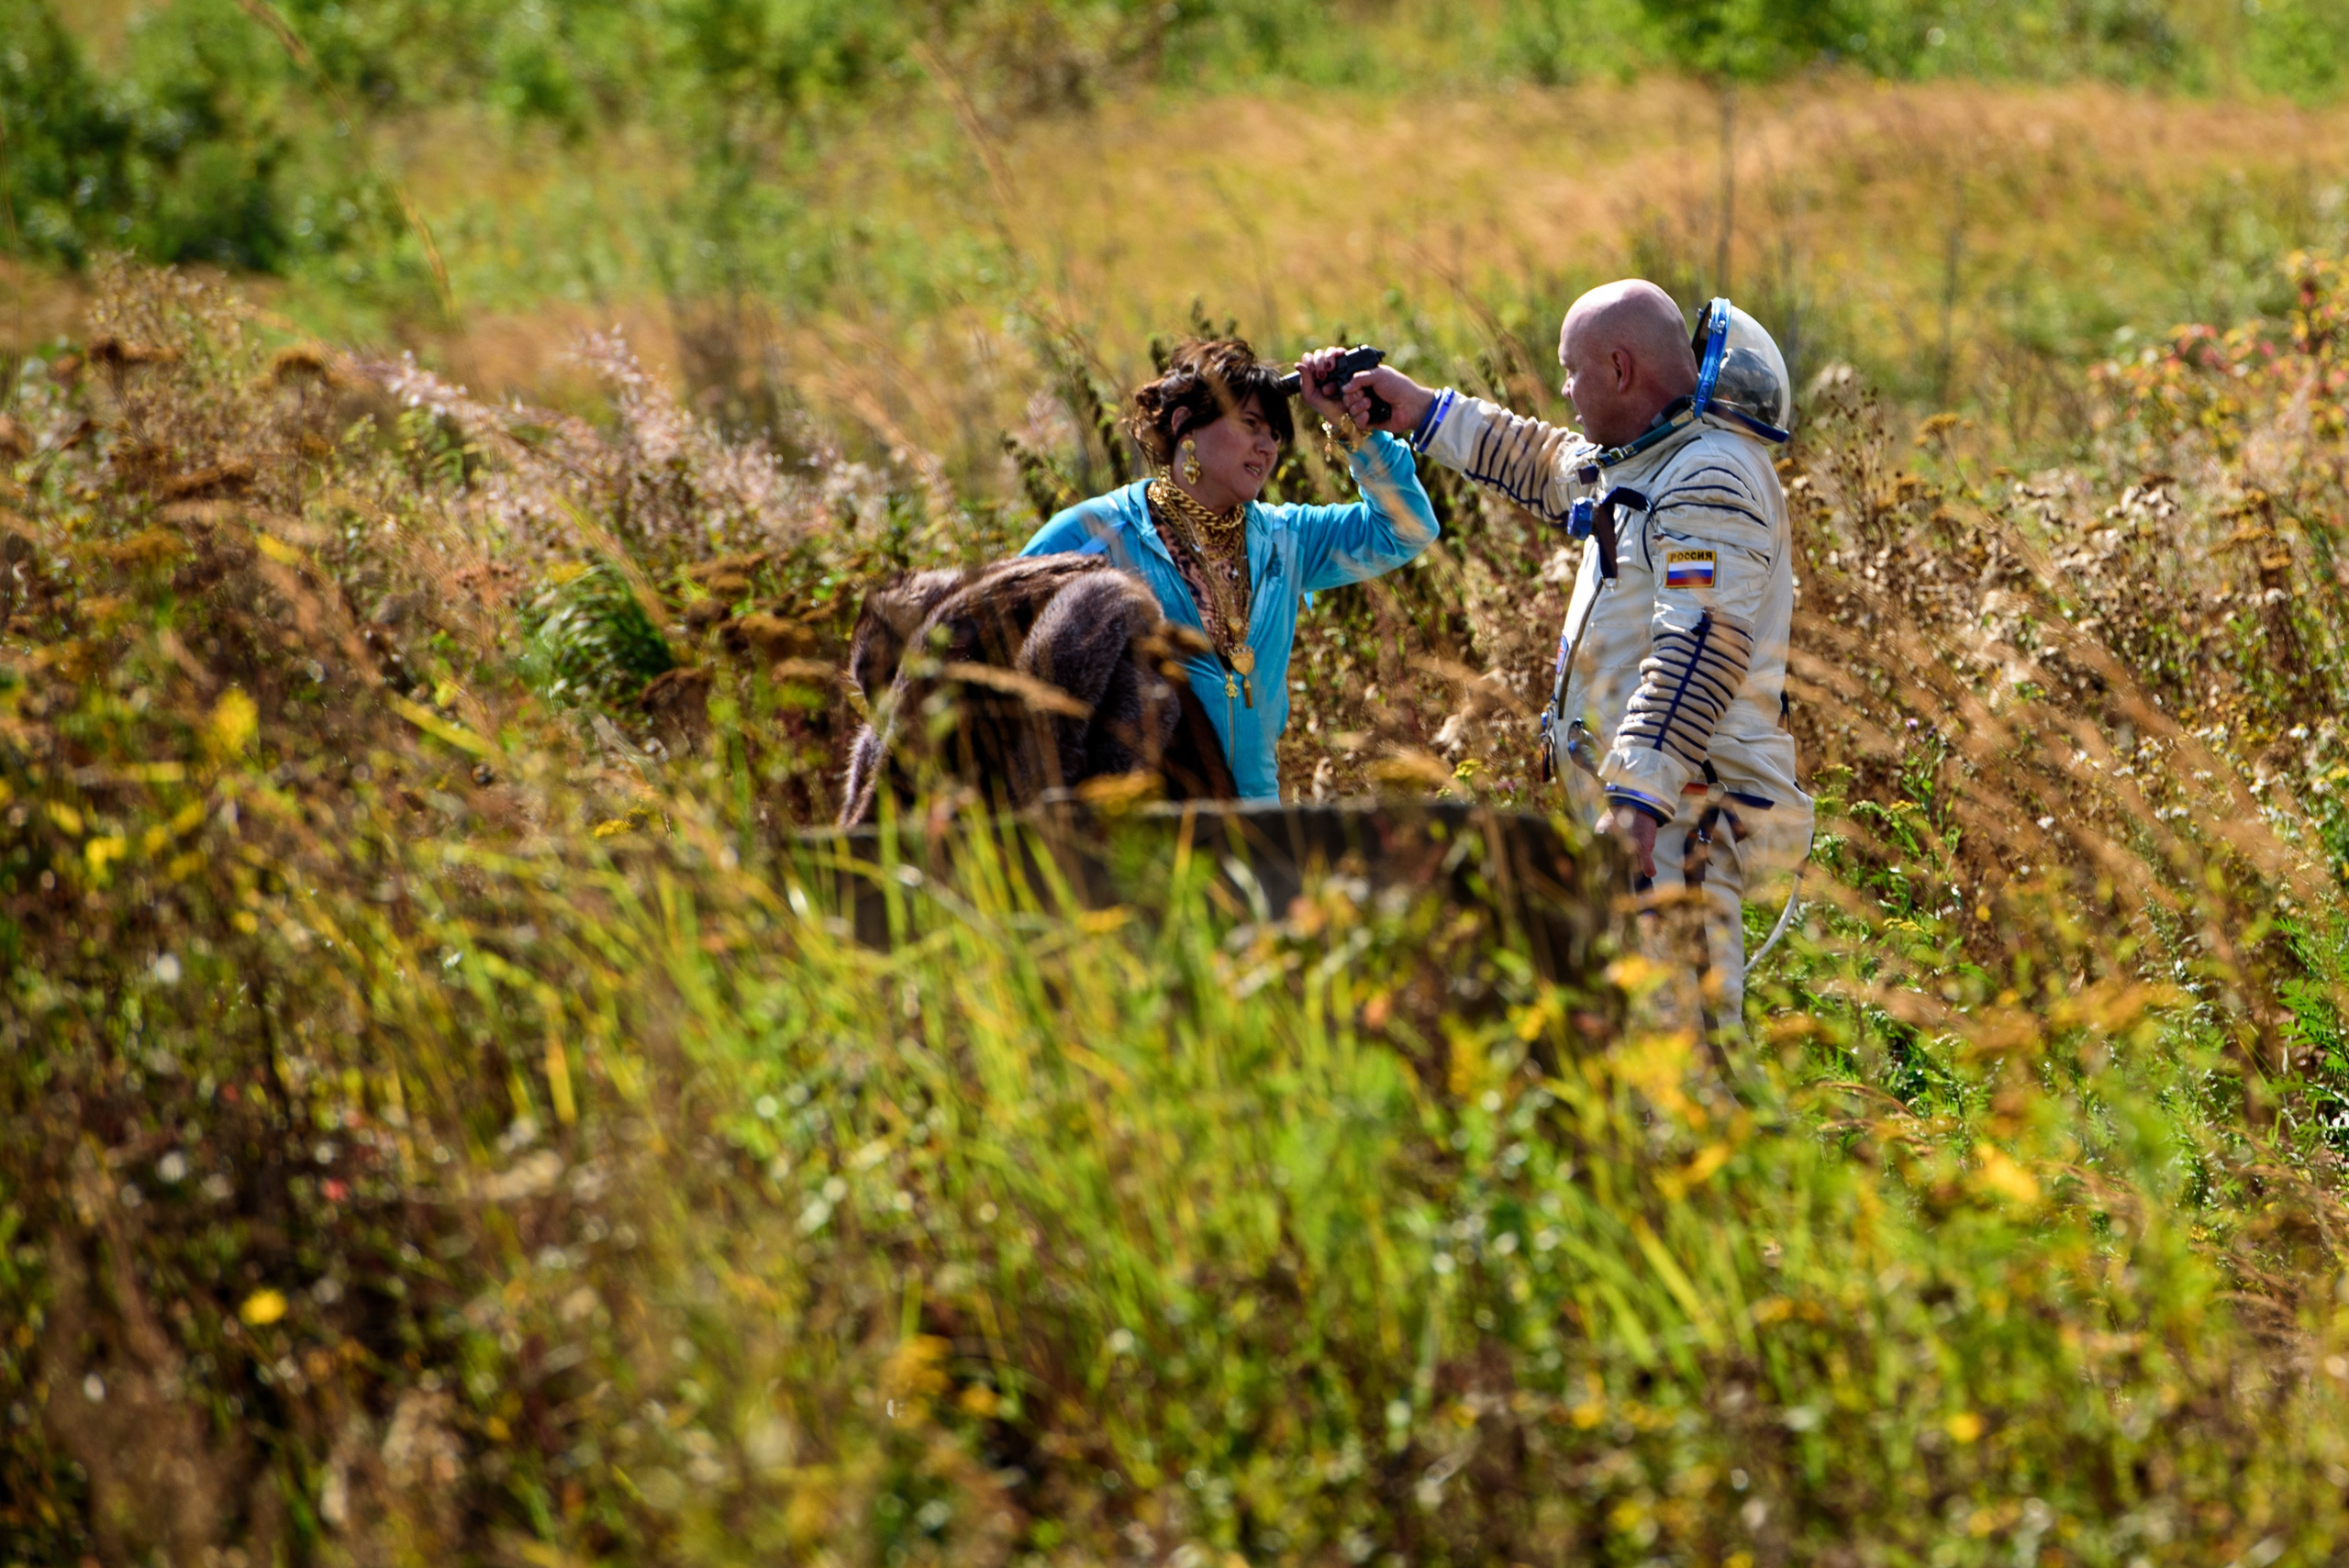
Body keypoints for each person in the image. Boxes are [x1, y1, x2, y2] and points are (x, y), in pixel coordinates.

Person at [1336, 281, 1815, 1023]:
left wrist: (1636, 802)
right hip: (1654, 813)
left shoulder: (1709, 475)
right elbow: (1544, 462)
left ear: (1620, 369)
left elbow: (1700, 650)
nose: (1563, 388)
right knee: (1641, 1052)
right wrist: (1421, 412)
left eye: (1571, 369)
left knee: (1691, 1059)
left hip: (1678, 816)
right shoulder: (1650, 459)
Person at [1020, 339, 1441, 803]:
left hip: (1260, 831)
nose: (1267, 448)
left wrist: (1351, 426)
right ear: (1185, 425)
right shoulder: (1095, 535)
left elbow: (1406, 530)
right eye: (1251, 425)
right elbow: (1008, 653)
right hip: (1142, 834)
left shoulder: (1287, 538)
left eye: (1275, 436)